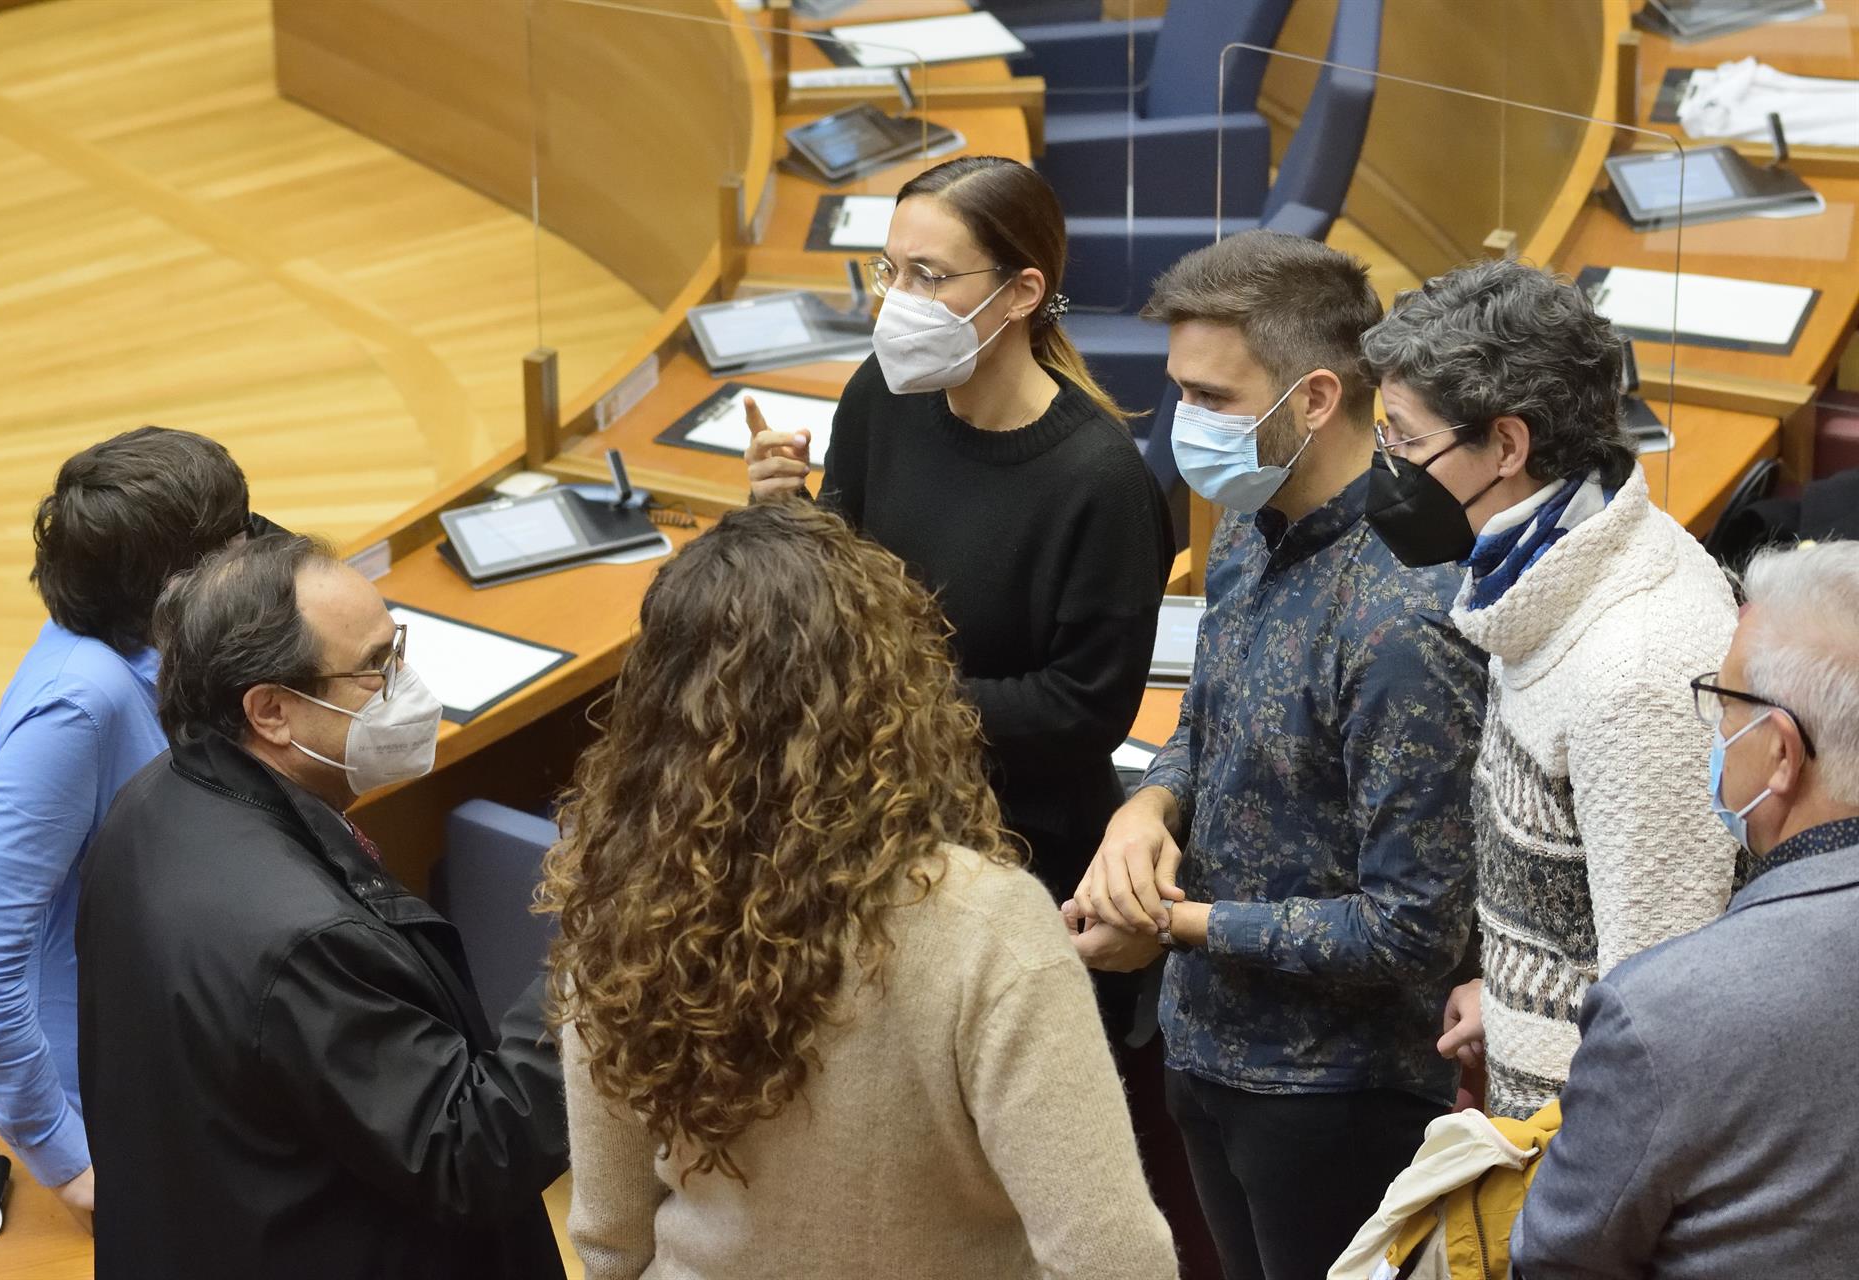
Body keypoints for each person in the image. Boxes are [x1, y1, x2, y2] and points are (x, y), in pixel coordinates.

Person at [544, 500, 1177, 1280]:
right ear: (897, 687)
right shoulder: (990, 927)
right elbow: (1115, 1262)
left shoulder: (622, 901)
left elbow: (610, 1241)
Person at [1067, 231, 1487, 1280]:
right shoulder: (1248, 524)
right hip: (1202, 1044)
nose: (1186, 426)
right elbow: (1209, 724)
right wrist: (1146, 810)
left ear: (1311, 399)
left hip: (1331, 1096)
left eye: (1212, 397)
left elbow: (1412, 931)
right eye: (1179, 392)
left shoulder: (1403, 617)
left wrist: (1172, 922)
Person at [75, 534, 566, 1279]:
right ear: (271, 710)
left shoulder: (150, 802)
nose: (410, 685)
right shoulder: (306, 941)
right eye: (376, 667)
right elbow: (473, 1151)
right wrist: (597, 954)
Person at [1359, 259, 1741, 1119]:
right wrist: (1509, 995)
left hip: (1587, 1158)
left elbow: (1662, 1021)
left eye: (1405, 440)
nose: (1387, 466)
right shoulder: (1536, 570)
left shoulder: (1636, 669)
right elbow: (1581, 897)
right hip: (1536, 1096)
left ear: (1506, 445)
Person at [743, 154, 1171, 903]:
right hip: (871, 801)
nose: (896, 301)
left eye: (928, 276)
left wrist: (886, 697)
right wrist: (786, 515)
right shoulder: (884, 394)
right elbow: (844, 586)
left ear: (1021, 292)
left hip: (1016, 847)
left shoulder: (1101, 482)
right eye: (891, 271)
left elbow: (1080, 711)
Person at [0, 426, 256, 1231]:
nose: (250, 554)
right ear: (177, 579)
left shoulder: (135, 650)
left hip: (177, 1068)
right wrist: (69, 1160)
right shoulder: (78, 706)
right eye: (234, 540)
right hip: (118, 1113)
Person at [1513, 540, 1859, 1276]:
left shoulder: (1660, 1013)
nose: (1713, 731)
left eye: (1723, 702)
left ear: (1781, 755)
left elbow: (1554, 1262)